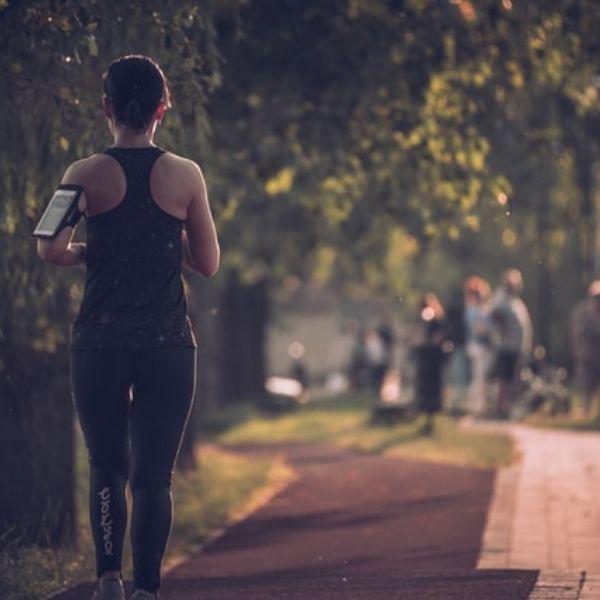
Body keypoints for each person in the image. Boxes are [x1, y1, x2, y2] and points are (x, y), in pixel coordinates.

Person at [36, 55, 220, 600]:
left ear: (107, 107)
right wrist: (164, 243)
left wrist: (101, 250)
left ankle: (108, 579)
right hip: (166, 343)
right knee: (153, 477)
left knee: (107, 465)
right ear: (163, 107)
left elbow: (49, 249)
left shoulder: (81, 174)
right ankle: (147, 589)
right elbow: (207, 263)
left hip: (99, 340)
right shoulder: (186, 175)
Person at [490, 269, 532, 418]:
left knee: (514, 379)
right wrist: (503, 331)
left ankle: (510, 408)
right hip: (507, 347)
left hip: (517, 347)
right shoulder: (501, 298)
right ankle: (501, 409)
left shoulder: (515, 300)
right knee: (504, 379)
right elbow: (495, 315)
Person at [414, 293, 447, 434]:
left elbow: (438, 338)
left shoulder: (436, 321)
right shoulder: (424, 321)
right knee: (424, 391)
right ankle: (425, 420)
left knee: (432, 391)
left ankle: (430, 422)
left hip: (433, 361)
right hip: (425, 359)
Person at [464, 276, 494, 418]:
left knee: (483, 378)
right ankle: (476, 407)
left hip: (485, 347)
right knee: (479, 378)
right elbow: (478, 329)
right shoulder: (472, 310)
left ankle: (481, 406)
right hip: (478, 347)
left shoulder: (483, 309)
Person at [570, 281, 600, 417]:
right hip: (587, 356)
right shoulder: (583, 312)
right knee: (586, 387)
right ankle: (585, 413)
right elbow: (577, 333)